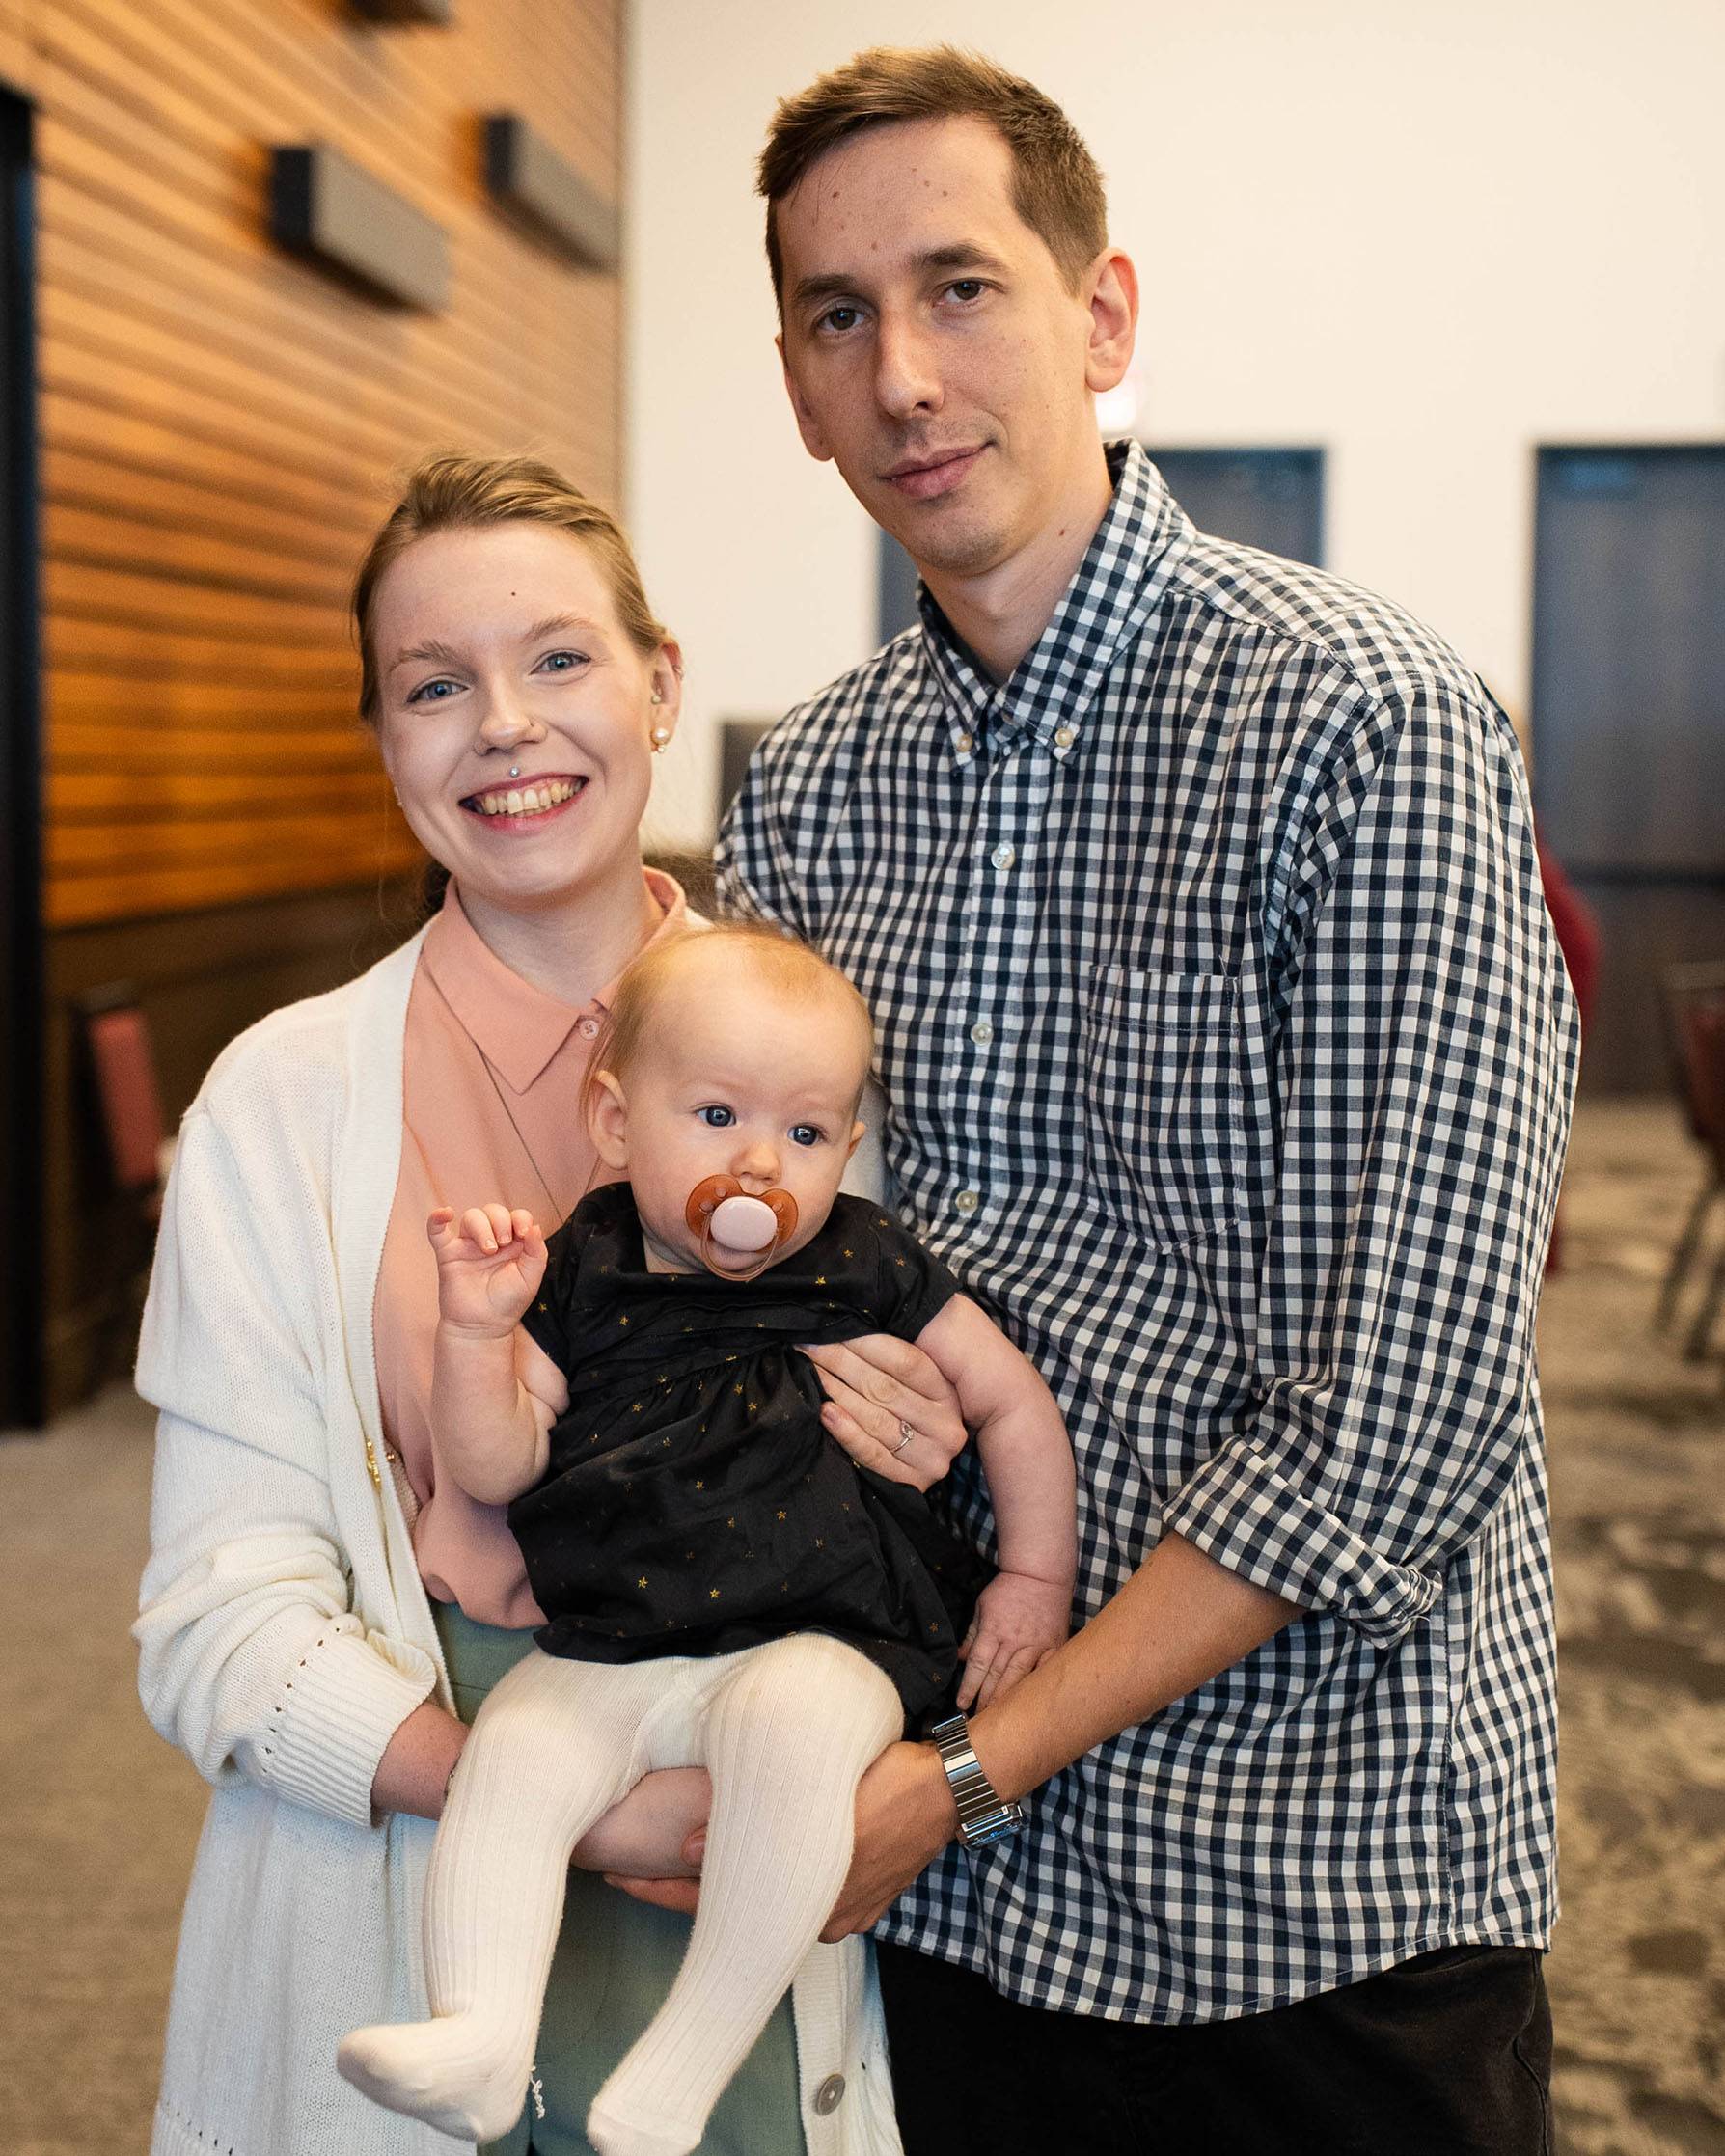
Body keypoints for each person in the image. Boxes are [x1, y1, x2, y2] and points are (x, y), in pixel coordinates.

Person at [681, 43, 1578, 2155]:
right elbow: (769, 1281)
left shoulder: (1367, 730)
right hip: (951, 1897)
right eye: (837, 317)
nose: (903, 374)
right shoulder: (810, 789)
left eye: (962, 287)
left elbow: (1392, 1427)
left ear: (1102, 316)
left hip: (1304, 1878)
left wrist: (973, 1766)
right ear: (799, 390)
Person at [132, 451, 969, 2156]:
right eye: (435, 687)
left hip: (767, 1860)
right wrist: (549, 1799)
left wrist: (929, 1455)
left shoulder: (839, 1063)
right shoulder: (280, 1104)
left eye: (560, 660)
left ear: (661, 686)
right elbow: (211, 1621)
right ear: (385, 740)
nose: (503, 724)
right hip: (415, 1840)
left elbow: (973, 1509)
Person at [338, 925, 1076, 2155]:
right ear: (620, 1125)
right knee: (513, 1755)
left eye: (803, 1135)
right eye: (718, 1113)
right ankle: (478, 2034)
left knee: (791, 1741)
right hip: (612, 1641)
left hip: (824, 1633)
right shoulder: (579, 1262)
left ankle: (681, 2070)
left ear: (848, 1149)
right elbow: (498, 1462)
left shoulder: (866, 1262)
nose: (757, 1166)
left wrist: (1033, 1580)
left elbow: (1011, 1402)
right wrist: (476, 1336)